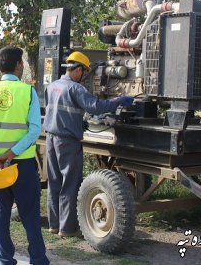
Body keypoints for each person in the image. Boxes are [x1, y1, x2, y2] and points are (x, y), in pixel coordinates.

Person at [43, 51, 133, 238]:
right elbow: (96, 107)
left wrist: (76, 119)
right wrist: (118, 101)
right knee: (70, 183)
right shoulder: (76, 89)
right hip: (67, 141)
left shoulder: (52, 86)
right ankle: (67, 229)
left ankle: (54, 225)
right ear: (77, 69)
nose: (83, 76)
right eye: (83, 71)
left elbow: (56, 111)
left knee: (55, 182)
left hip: (51, 137)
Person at [0, 46, 50, 265]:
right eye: (22, 63)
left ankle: (5, 259)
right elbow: (35, 129)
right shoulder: (27, 92)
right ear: (18, 65)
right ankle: (38, 259)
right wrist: (12, 153)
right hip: (23, 165)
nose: (23, 66)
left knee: (1, 215)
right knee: (30, 215)